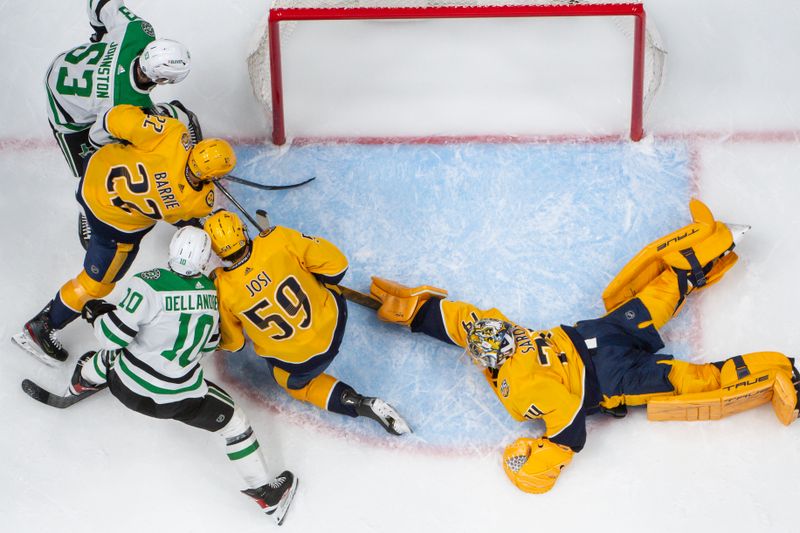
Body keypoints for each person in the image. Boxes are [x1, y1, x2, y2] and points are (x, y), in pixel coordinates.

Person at [368, 199, 800, 494]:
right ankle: (715, 242)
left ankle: (781, 371)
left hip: (617, 378)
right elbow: (460, 321)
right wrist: (414, 313)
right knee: (662, 292)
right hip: (602, 333)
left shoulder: (522, 390)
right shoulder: (502, 330)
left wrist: (525, 460)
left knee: (700, 382)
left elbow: (569, 434)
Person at [52, 227, 297, 524]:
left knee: (109, 357)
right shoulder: (210, 293)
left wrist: (98, 313)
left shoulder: (148, 283)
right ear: (205, 260)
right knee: (235, 426)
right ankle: (267, 496)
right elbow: (208, 345)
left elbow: (111, 337)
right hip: (179, 400)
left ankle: (81, 384)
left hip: (125, 386)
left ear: (172, 249)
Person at [14, 104, 235, 365]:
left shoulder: (173, 134)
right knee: (97, 284)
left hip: (94, 174)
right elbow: (185, 221)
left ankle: (87, 213)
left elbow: (115, 118)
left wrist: (145, 119)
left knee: (124, 146)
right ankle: (41, 327)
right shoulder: (197, 201)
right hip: (112, 227)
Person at [203, 209, 411, 436]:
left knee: (293, 384)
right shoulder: (276, 238)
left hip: (301, 364)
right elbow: (337, 266)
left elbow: (233, 344)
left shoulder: (221, 287)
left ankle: (355, 401)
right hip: (334, 322)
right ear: (242, 230)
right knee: (320, 278)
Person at [47, 0, 198, 248]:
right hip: (67, 111)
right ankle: (88, 210)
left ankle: (174, 115)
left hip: (64, 64)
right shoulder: (123, 105)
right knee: (93, 168)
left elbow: (101, 3)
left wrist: (100, 34)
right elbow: (97, 138)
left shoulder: (138, 31)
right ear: (160, 79)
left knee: (139, 125)